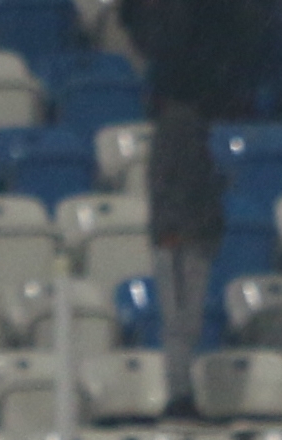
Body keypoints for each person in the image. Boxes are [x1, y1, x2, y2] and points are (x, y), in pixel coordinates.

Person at [121, 0, 270, 416]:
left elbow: (195, 183)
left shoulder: (194, 126)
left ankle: (182, 392)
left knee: (185, 321)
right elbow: (169, 184)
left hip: (193, 231)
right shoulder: (180, 126)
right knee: (180, 321)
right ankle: (178, 394)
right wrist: (174, 229)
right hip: (180, 234)